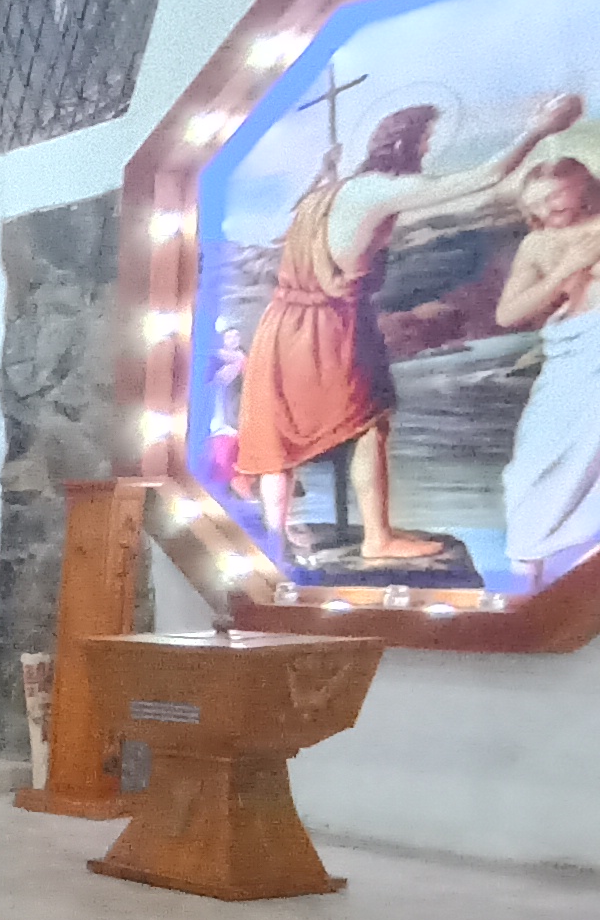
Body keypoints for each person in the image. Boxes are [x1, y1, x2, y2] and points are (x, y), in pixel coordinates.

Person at [236, 95, 580, 556]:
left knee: (277, 436)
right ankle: (377, 538)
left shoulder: (326, 196)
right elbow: (485, 177)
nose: (428, 151)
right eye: (426, 141)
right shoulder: (382, 191)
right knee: (369, 424)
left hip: (281, 326)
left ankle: (273, 538)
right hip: (331, 326)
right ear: (406, 143)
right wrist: (539, 129)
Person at [497, 156, 600, 585]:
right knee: (530, 467)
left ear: (583, 188)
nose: (547, 207)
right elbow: (508, 314)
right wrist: (566, 269)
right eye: (537, 202)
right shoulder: (536, 245)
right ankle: (526, 576)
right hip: (569, 358)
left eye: (556, 195)